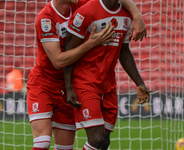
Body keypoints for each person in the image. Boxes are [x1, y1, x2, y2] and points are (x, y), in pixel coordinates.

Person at [26, 0, 147, 150]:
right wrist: (91, 43)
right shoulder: (45, 18)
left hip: (67, 82)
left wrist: (137, 16)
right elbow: (58, 61)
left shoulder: (79, 5)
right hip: (44, 83)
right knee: (43, 142)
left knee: (67, 147)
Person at [64, 0, 151, 150]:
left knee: (104, 142)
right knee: (96, 139)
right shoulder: (86, 12)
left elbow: (124, 52)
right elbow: (68, 50)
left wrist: (139, 83)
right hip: (85, 82)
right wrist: (69, 87)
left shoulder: (125, 15)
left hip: (108, 85)